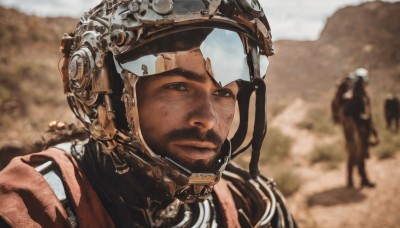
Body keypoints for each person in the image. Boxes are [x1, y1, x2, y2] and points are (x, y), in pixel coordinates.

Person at [0, 0, 296, 227]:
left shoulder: (249, 206)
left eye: (224, 93)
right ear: (108, 94)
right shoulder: (29, 205)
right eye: (178, 87)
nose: (207, 118)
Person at [342, 68, 378, 188]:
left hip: (360, 130)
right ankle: (353, 180)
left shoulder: (360, 95)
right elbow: (350, 115)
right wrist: (359, 127)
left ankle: (361, 179)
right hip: (356, 132)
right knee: (355, 155)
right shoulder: (354, 96)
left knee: (360, 155)